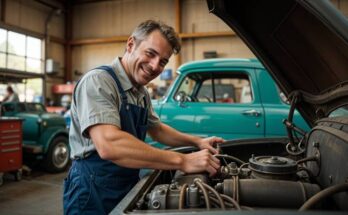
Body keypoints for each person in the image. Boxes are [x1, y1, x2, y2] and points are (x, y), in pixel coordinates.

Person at [63, 20, 224, 214]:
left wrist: (197, 141)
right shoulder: (98, 81)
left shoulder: (141, 93)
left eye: (163, 61)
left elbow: (157, 130)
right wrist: (183, 161)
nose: (156, 66)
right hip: (92, 188)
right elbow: (109, 145)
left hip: (126, 183)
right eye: (151, 53)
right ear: (131, 44)